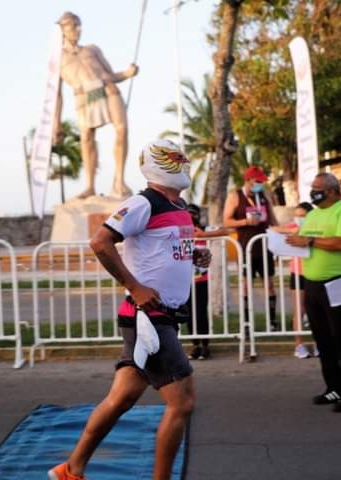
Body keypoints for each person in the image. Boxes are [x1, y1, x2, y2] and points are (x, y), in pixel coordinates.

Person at [49, 139, 211, 480]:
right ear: (157, 164)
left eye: (182, 157)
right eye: (175, 158)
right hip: (148, 320)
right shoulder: (142, 203)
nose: (183, 162)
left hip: (159, 318)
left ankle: (71, 469)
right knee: (182, 403)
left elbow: (166, 250)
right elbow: (100, 241)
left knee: (120, 399)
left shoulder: (179, 206)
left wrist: (195, 255)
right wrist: (134, 287)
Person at [285, 173, 341, 412]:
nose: (313, 192)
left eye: (318, 188)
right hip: (313, 282)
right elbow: (304, 240)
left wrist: (309, 241)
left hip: (338, 280)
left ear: (331, 190)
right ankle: (333, 387)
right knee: (322, 338)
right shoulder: (313, 214)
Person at [53, 11, 138, 199]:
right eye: (73, 25)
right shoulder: (57, 59)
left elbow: (113, 74)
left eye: (79, 24)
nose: (78, 29)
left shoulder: (92, 49)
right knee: (87, 138)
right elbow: (56, 94)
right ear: (62, 29)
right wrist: (56, 123)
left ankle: (119, 180)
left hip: (107, 88)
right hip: (84, 96)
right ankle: (90, 185)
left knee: (122, 129)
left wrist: (127, 73)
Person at [223, 165, 279, 331]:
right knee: (246, 285)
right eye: (258, 181)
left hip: (264, 246)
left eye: (262, 181)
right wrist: (245, 222)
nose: (260, 183)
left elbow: (274, 220)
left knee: (269, 284)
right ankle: (247, 323)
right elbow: (226, 221)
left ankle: (272, 321)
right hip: (245, 246)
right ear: (248, 180)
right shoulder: (235, 196)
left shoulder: (263, 195)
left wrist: (284, 232)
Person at [185, 204, 229, 360]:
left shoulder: (205, 229)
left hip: (201, 279)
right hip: (184, 280)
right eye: (188, 214)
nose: (191, 217)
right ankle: (195, 345)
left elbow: (226, 230)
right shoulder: (180, 231)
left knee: (200, 312)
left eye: (194, 214)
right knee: (189, 313)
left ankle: (205, 345)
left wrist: (203, 235)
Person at [286, 202, 317, 359]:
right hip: (297, 272)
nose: (299, 219)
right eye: (296, 216)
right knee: (299, 309)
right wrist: (293, 230)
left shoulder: (317, 227)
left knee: (316, 310)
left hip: (315, 272)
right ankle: (299, 345)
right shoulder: (293, 227)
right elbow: (273, 229)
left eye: (302, 216)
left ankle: (319, 343)